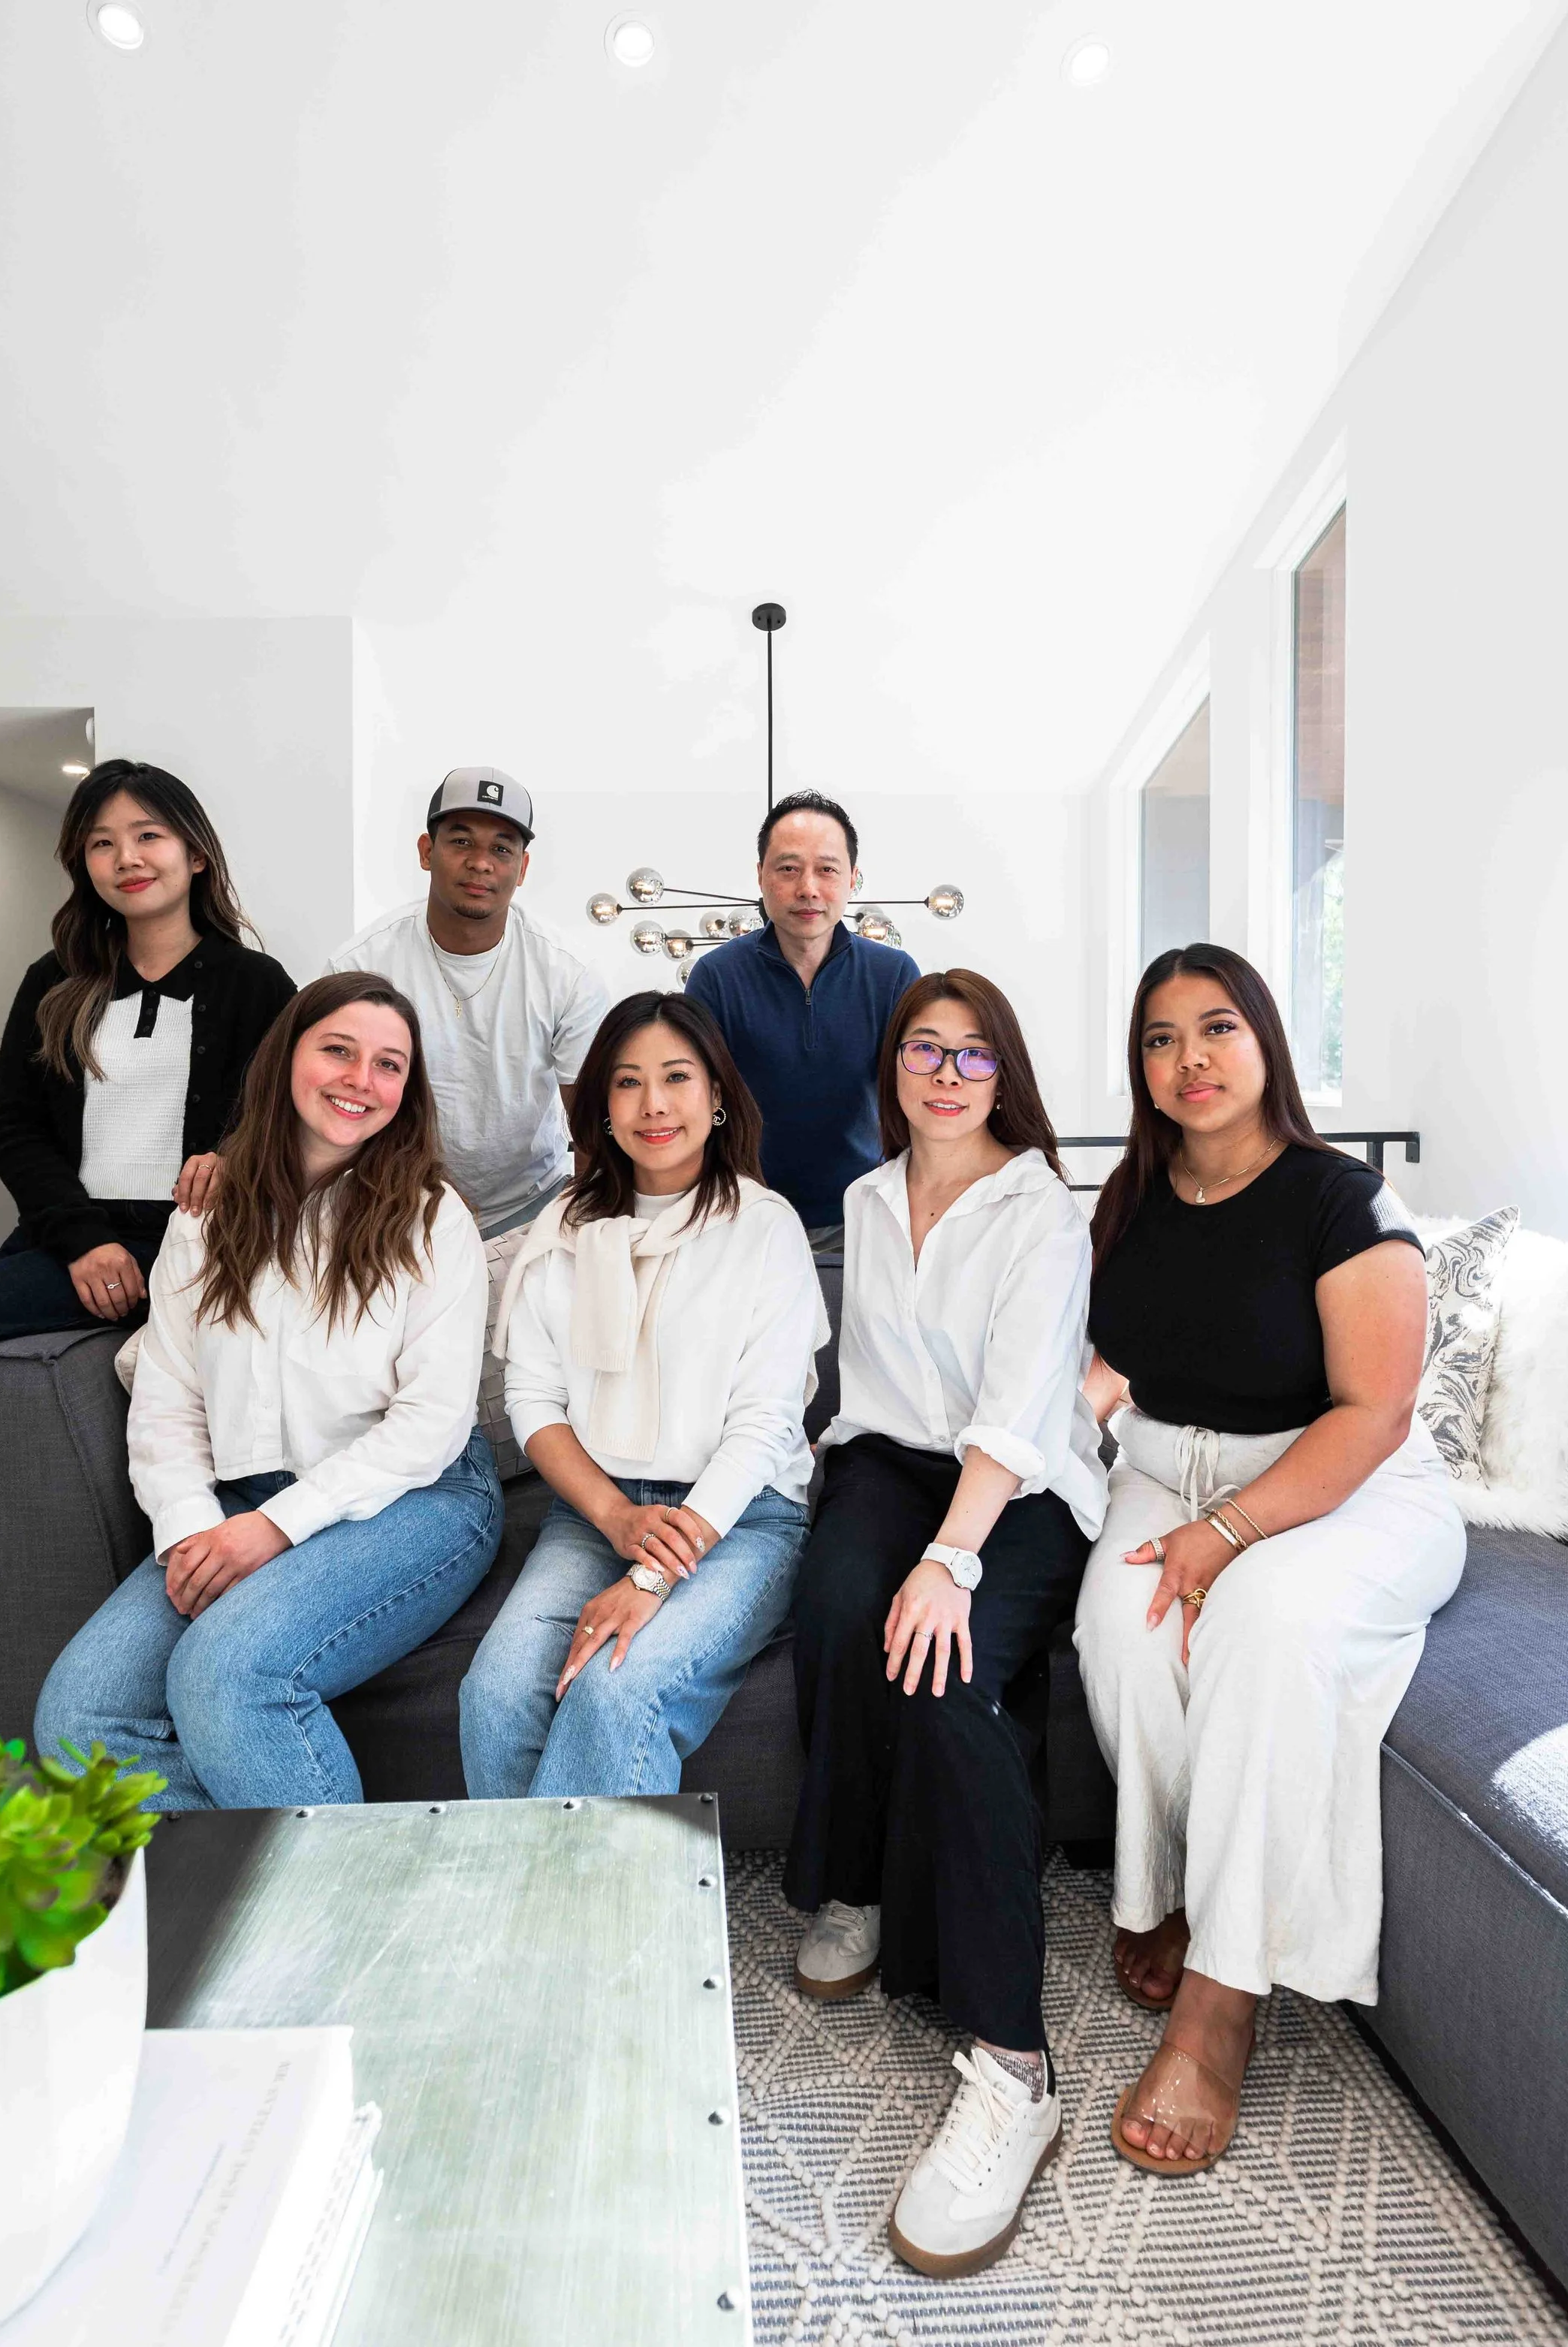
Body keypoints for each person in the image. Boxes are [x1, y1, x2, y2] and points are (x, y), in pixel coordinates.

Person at [1073, 943, 1464, 2176]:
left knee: (1258, 1625)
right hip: (1168, 1470)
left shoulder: (1341, 1201)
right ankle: (1176, 1890)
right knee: (1121, 1635)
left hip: (1341, 1485)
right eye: (1159, 1037)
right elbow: (1116, 1358)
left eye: (1217, 1027)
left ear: (1266, 1044)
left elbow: (1375, 1412)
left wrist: (1226, 1538)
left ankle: (1223, 1998)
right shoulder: (1129, 1197)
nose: (1189, 1058)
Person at [0, 760, 295, 1674]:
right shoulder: (56, 977)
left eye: (148, 835)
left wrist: (232, 1160)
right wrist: (81, 1237)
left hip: (194, 1244)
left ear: (194, 852)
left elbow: (286, 1121)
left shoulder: (256, 983)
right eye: (102, 842)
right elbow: (15, 1128)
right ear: (83, 864)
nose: (127, 857)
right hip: (76, 1235)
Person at [783, 970, 1105, 2279]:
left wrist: (952, 1563)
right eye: (926, 1048)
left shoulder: (1044, 1210)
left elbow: (1021, 1409)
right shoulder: (862, 1199)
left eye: (976, 1055)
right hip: (888, 1458)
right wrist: (896, 1547)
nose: (949, 1072)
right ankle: (852, 1887)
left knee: (942, 1665)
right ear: (894, 1067)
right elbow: (874, 1392)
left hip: (1018, 1481)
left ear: (1004, 1073)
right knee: (840, 1600)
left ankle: (1011, 2067)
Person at [36, 973, 502, 1809]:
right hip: (237, 1495)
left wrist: (274, 1529)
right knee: (80, 1721)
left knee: (226, 1674)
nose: (362, 1079)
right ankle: (268, 1890)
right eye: (338, 1050)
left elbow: (428, 1426)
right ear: (287, 1056)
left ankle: (316, 1924)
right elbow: (170, 1397)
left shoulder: (433, 1219)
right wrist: (186, 1527)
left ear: (408, 1089)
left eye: (389, 1064)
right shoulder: (204, 1214)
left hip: (416, 1498)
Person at [458, 990, 825, 1800]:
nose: (653, 1103)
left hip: (738, 1517)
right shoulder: (562, 1229)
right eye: (626, 1082)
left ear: (718, 1096)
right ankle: (535, 1921)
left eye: (676, 1076)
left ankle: (600, 1925)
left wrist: (655, 1573)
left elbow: (765, 1422)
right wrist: (615, 1518)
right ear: (600, 1107)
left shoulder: (763, 1227)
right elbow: (535, 1402)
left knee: (616, 1689)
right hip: (598, 1510)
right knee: (491, 1696)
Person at [329, 768, 608, 1239]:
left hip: (530, 1207)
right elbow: (326, 1101)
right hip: (391, 1206)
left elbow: (594, 1123)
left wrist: (584, 1234)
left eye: (502, 848)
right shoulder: (362, 964)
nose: (481, 863)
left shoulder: (567, 973)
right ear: (426, 852)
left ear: (521, 868)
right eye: (461, 842)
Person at [686, 790, 919, 1247]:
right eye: (788, 869)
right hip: (743, 1215)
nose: (808, 888)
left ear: (853, 878)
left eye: (827, 870)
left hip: (864, 1216)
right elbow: (694, 1101)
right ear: (760, 876)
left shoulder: (893, 975)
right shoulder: (716, 976)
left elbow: (916, 1098)